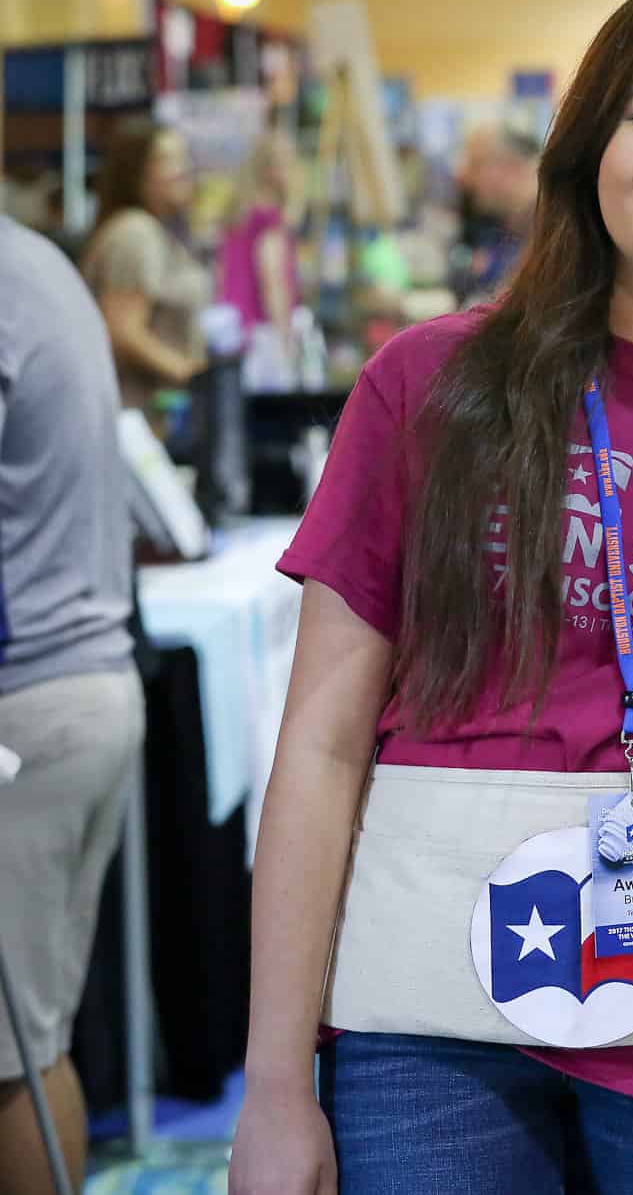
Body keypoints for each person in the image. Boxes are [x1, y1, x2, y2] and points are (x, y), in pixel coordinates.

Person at [226, 0, 633, 1195]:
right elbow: (316, 747)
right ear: (588, 144)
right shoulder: (433, 387)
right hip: (426, 1013)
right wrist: (271, 1084)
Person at [0, 214, 144, 1195]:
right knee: (34, 1035)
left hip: (30, 706)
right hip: (81, 684)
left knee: (11, 1053)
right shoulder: (33, 259)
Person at [80, 117, 211, 412]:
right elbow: (122, 330)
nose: (184, 169)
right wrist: (192, 374)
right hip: (140, 417)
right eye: (168, 160)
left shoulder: (158, 232)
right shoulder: (135, 233)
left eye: (183, 156)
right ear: (136, 173)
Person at [217, 126, 303, 391]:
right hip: (264, 333)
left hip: (235, 328)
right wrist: (285, 338)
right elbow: (272, 280)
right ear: (271, 168)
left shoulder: (239, 214)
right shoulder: (269, 218)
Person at [453, 121, 542, 304]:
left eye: (476, 165)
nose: (464, 177)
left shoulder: (555, 233)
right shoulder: (509, 229)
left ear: (513, 167)